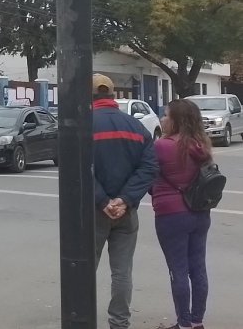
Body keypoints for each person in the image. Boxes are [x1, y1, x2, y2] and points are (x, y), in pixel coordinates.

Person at [92, 73, 158, 329]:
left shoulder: (84, 126)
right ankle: (119, 323)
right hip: (126, 213)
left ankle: (81, 317)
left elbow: (78, 169)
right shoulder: (136, 127)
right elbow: (149, 168)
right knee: (122, 272)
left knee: (85, 268)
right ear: (113, 96)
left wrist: (102, 200)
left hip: (94, 212)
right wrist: (125, 199)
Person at [152, 99, 213, 329]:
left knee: (177, 269)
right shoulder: (201, 145)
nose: (163, 119)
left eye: (167, 115)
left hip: (171, 215)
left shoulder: (162, 146)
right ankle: (197, 321)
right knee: (198, 268)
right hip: (200, 212)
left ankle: (184, 323)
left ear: (176, 120)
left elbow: (150, 176)